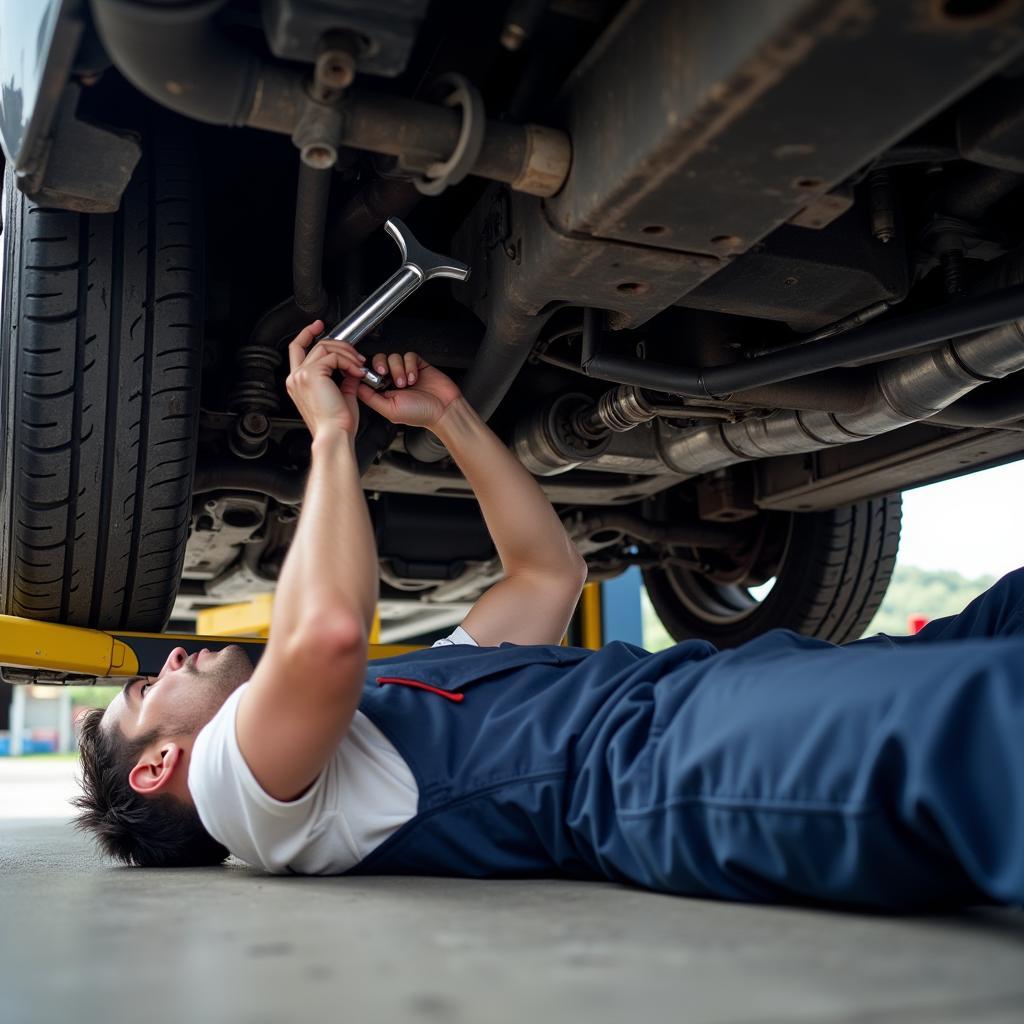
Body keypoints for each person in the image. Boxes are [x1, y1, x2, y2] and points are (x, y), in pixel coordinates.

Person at [74, 321, 1024, 911]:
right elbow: (323, 633)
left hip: (714, 690)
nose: (163, 666)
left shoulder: (389, 712)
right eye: (143, 693)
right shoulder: (245, 801)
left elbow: (546, 571)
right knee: (981, 721)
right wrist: (330, 435)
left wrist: (449, 416)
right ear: (159, 765)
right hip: (659, 768)